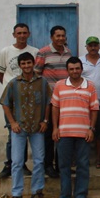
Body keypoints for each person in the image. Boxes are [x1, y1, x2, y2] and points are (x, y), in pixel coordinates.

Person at [0, 52, 51, 198]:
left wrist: (45, 120)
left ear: (33, 63)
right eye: (23, 63)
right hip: (19, 129)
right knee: (17, 162)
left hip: (37, 128)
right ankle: (16, 194)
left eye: (29, 63)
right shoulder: (14, 83)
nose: (27, 66)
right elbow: (5, 104)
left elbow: (48, 102)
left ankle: (37, 192)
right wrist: (12, 123)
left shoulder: (42, 82)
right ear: (20, 65)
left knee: (39, 161)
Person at [51, 57, 99, 198]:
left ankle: (80, 196)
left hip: (83, 133)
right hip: (64, 133)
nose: (74, 71)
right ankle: (64, 197)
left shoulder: (90, 86)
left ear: (81, 69)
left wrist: (91, 129)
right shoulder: (59, 85)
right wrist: (55, 128)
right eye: (71, 69)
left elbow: (94, 109)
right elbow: (55, 107)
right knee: (64, 166)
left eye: (77, 68)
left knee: (82, 165)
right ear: (67, 70)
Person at [0, 23, 38, 178]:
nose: (22, 36)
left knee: (28, 133)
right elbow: (0, 75)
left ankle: (22, 163)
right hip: (13, 102)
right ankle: (10, 163)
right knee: (12, 132)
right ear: (14, 35)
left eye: (25, 33)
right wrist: (12, 90)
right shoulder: (5, 52)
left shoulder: (35, 52)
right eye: (19, 33)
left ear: (29, 34)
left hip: (30, 101)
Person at [34, 25, 72, 179]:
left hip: (65, 99)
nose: (61, 38)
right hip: (49, 101)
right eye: (58, 36)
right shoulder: (43, 52)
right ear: (52, 37)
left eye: (63, 35)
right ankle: (48, 165)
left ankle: (61, 165)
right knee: (49, 134)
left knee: (62, 133)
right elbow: (36, 75)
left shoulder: (68, 52)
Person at [80, 36, 100, 169]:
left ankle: (99, 158)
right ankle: (82, 159)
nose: (93, 48)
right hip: (84, 104)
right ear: (86, 47)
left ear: (99, 46)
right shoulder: (81, 61)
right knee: (83, 132)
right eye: (90, 45)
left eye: (95, 45)